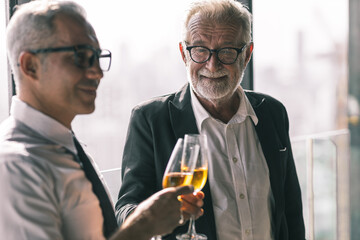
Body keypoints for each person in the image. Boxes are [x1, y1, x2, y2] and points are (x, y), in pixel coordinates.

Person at [0, 1, 203, 240]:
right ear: (30, 66)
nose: (97, 72)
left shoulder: (68, 147)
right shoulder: (15, 167)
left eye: (97, 57)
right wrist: (144, 225)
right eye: (81, 57)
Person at [116, 0, 306, 239]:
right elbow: (125, 211)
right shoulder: (150, 119)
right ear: (184, 54)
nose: (212, 64)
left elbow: (291, 211)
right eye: (200, 50)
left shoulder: (272, 112)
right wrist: (156, 213)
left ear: (247, 55)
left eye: (227, 51)